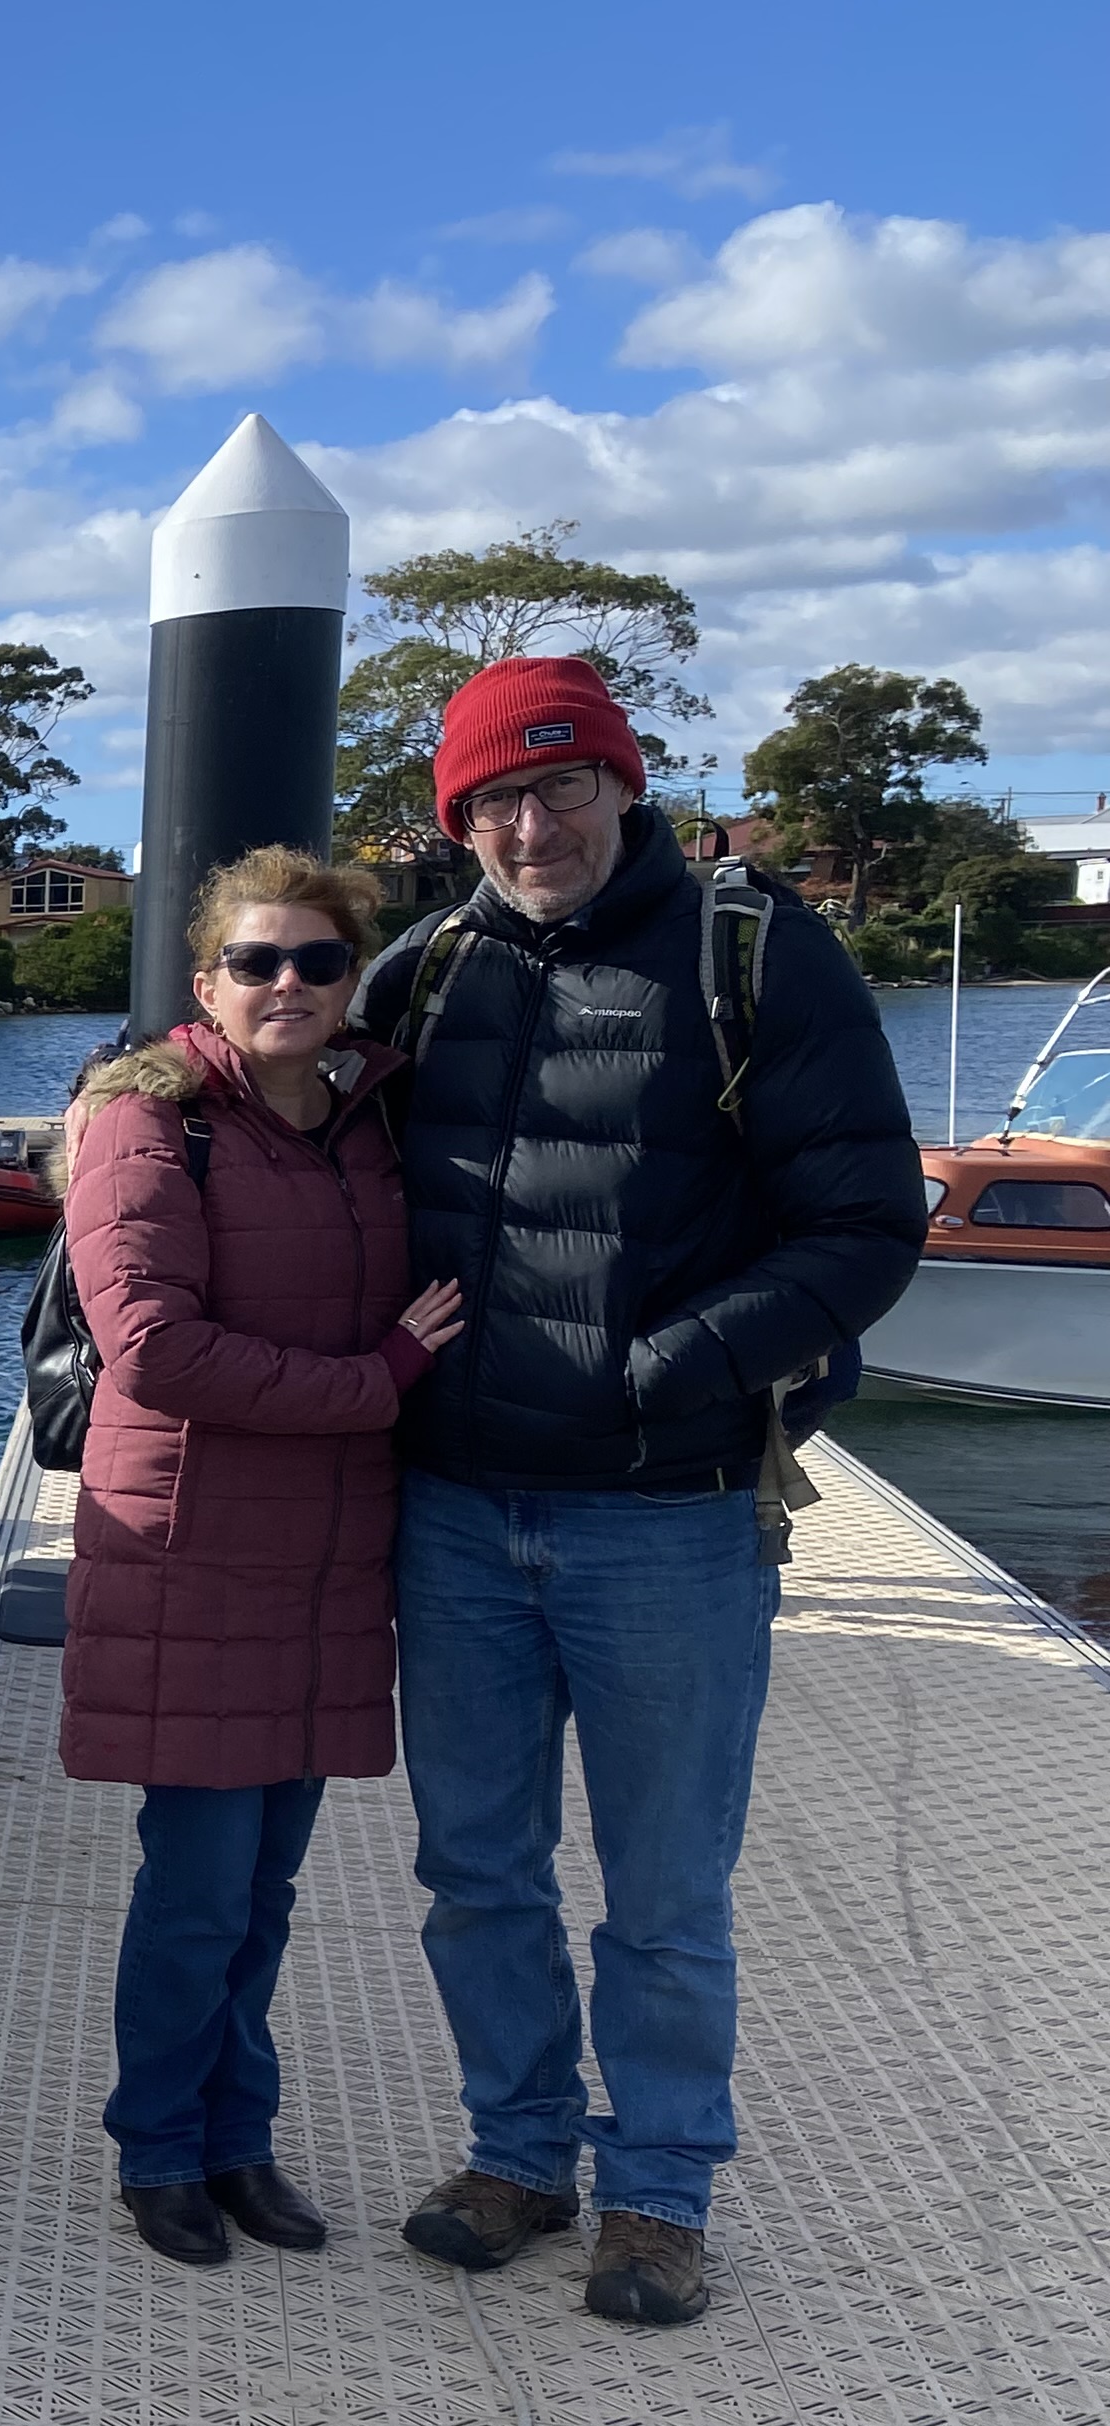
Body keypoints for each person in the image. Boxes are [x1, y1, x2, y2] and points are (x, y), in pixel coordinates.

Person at [366, 657, 924, 2327]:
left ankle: (661, 2192)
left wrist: (666, 1367)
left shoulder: (753, 955)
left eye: (562, 787)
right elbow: (276, 1090)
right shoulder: (430, 969)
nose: (531, 827)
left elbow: (865, 1228)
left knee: (666, 1894)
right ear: (459, 819)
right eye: (495, 800)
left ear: (624, 785)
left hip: (665, 1515)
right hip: (456, 1510)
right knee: (477, 1871)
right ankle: (519, 2155)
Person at [59, 846, 463, 2265]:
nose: (287, 983)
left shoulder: (373, 1122)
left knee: (264, 1890)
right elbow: (153, 1348)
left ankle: (238, 2137)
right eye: (256, 960)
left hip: (326, 1560)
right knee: (197, 1890)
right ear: (207, 981)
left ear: (354, 982)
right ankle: (159, 2148)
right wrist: (380, 1378)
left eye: (318, 960)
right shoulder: (149, 1125)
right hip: (196, 1552)